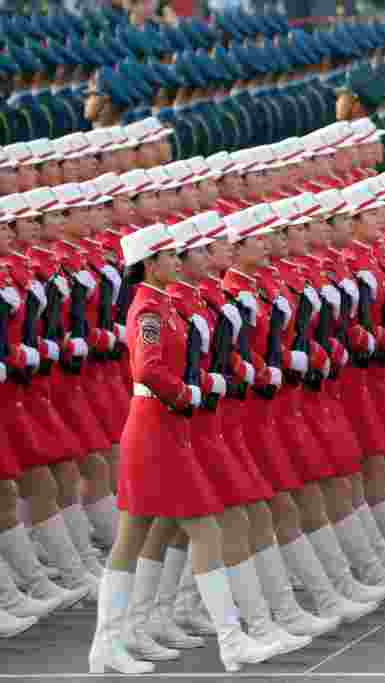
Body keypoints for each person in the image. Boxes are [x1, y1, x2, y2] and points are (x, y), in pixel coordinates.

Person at [89, 223, 280, 674]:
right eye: (170, 256)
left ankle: (116, 640)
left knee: (140, 535)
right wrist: (188, 393)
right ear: (150, 264)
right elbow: (148, 368)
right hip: (156, 425)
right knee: (185, 530)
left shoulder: (164, 307)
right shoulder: (148, 312)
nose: (178, 261)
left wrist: (198, 386)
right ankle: (226, 641)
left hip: (167, 426)